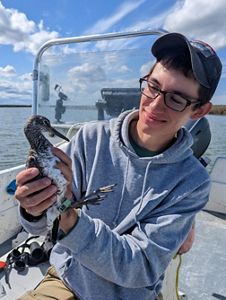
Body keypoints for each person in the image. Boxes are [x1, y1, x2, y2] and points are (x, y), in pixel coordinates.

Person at [15, 32, 222, 300]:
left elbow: (141, 268)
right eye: (154, 86)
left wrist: (67, 216)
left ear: (199, 111)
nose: (155, 105)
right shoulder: (90, 138)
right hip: (67, 279)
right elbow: (38, 228)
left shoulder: (191, 183)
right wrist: (33, 207)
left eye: (176, 98)